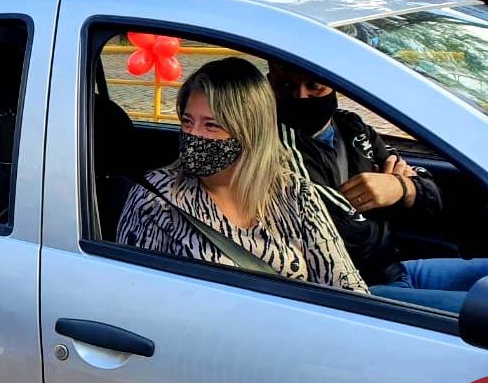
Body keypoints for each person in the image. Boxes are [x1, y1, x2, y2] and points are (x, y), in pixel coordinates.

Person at [269, 62, 488, 312]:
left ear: (332, 85)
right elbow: (340, 231)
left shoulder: (352, 127)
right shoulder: (275, 148)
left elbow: (433, 195)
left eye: (314, 85)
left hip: (398, 268)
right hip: (359, 289)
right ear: (270, 82)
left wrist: (400, 188)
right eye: (285, 85)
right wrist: (390, 199)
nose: (300, 96)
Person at [117, 57, 368, 292]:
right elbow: (134, 294)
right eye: (187, 121)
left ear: (250, 132)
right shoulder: (156, 197)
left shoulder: (295, 192)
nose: (194, 135)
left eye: (211, 125)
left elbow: (347, 288)